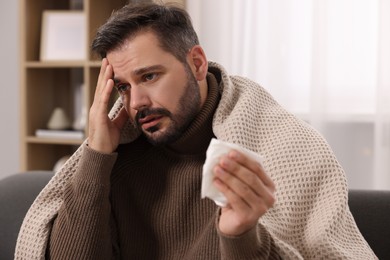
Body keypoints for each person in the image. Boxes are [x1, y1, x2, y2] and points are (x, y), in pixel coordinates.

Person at [15, 2, 376, 259]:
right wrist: (96, 156)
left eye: (149, 76)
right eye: (123, 86)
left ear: (197, 63)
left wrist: (241, 236)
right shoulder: (118, 159)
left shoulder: (290, 149)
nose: (136, 101)